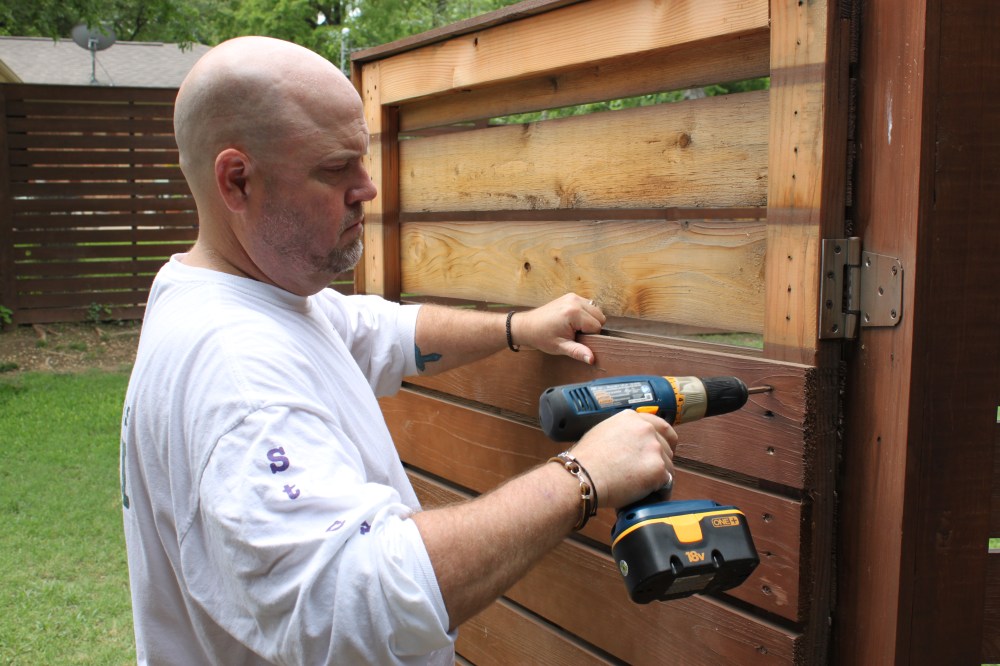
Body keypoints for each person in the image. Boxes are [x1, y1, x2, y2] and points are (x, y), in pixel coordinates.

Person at [120, 36, 677, 665]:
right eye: (335, 169)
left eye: (362, 158)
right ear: (237, 180)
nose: (368, 187)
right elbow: (361, 602)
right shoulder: (238, 372)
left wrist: (516, 328)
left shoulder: (249, 296)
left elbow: (380, 330)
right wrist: (582, 476)